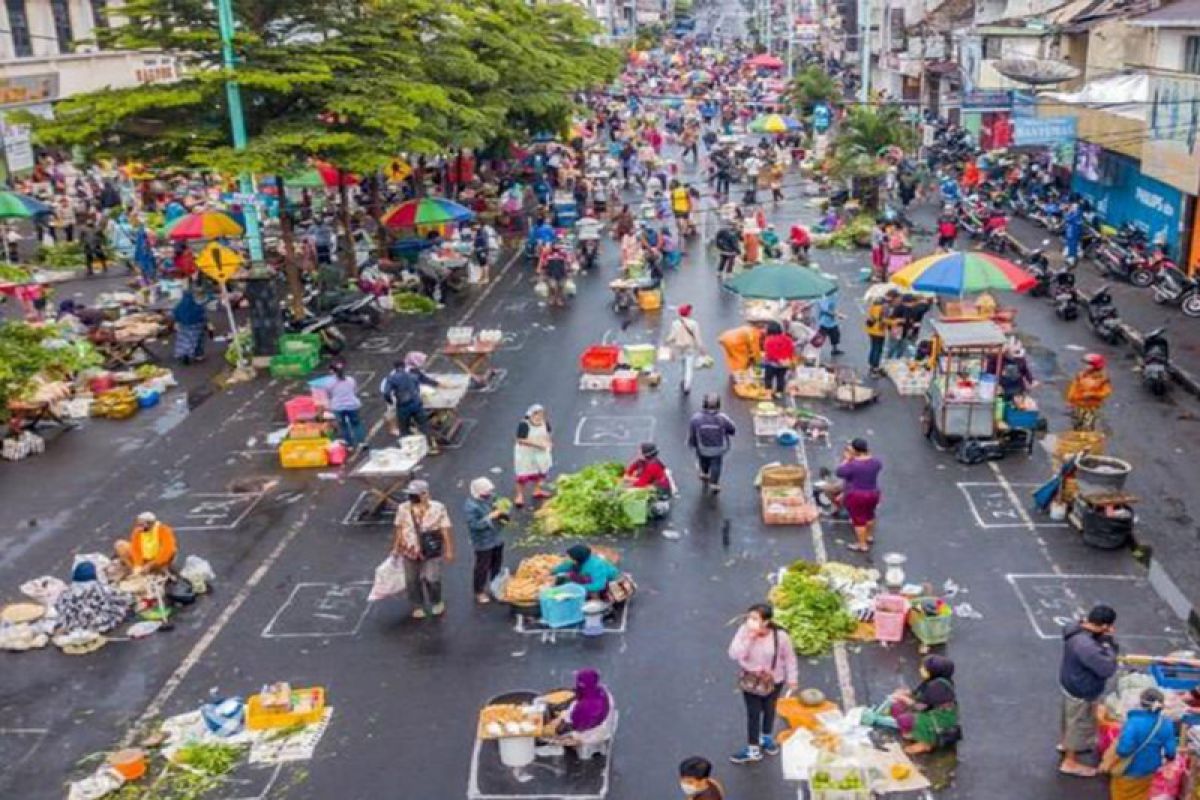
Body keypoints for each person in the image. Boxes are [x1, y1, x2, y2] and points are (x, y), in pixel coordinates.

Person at [728, 603, 800, 764]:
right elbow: (734, 654)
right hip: (751, 681)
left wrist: (792, 678)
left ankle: (766, 737)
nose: (750, 622)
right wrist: (749, 639)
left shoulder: (780, 636)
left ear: (766, 622)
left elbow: (789, 658)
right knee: (753, 713)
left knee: (769, 709)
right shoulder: (744, 632)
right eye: (749, 618)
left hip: (774, 680)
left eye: (754, 619)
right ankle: (753, 748)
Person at [1059, 604, 1120, 777]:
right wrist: (1110, 645)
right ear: (1104, 626)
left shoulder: (1074, 629)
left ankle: (1065, 743)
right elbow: (1107, 668)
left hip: (1069, 681)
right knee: (1080, 724)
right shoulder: (1088, 647)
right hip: (1082, 689)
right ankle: (1070, 762)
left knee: (1069, 717)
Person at [391, 480, 455, 619]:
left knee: (432, 578)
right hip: (410, 548)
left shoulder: (438, 507)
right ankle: (417, 605)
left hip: (431, 548)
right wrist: (396, 547)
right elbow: (399, 528)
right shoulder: (403, 508)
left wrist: (449, 549)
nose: (411, 498)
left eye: (415, 495)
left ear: (425, 494)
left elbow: (445, 528)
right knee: (412, 580)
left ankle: (436, 601)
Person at [1106, 688, 1177, 800]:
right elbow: (1171, 752)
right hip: (1149, 770)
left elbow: (1124, 750)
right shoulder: (1166, 723)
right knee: (1141, 795)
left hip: (1128, 770)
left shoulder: (1133, 722)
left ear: (1141, 703)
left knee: (1121, 795)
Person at [889, 655, 960, 755]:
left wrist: (904, 698)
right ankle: (914, 734)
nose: (920, 669)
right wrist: (907, 693)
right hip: (929, 711)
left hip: (938, 719)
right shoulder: (932, 681)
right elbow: (919, 693)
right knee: (897, 707)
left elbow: (921, 706)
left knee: (904, 719)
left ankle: (926, 743)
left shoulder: (938, 687)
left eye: (924, 668)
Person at [381, 352, 442, 452]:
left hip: (403, 406)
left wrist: (391, 401)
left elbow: (386, 393)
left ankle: (409, 448)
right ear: (404, 365)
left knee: (404, 428)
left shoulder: (392, 378)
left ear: (395, 367)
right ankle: (433, 446)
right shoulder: (412, 375)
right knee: (424, 425)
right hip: (416, 404)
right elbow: (418, 387)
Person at [464, 477, 506, 604]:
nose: (489, 493)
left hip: (496, 537)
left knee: (496, 564)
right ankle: (479, 591)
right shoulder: (471, 506)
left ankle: (496, 586)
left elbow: (500, 504)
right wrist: (490, 517)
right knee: (482, 567)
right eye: (486, 491)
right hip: (483, 541)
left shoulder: (491, 497)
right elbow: (475, 525)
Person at [836, 438, 883, 553]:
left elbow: (839, 472)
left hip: (857, 495)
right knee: (870, 515)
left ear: (855, 450)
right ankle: (869, 536)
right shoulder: (876, 462)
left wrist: (847, 459)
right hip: (873, 493)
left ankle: (862, 545)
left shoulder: (853, 465)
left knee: (858, 520)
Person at [544, 668, 612, 745]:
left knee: (552, 731)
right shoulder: (603, 692)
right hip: (601, 725)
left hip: (589, 734)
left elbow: (576, 726)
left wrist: (559, 720)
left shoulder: (586, 707)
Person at [688, 393, 736, 493]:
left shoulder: (696, 418)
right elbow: (732, 429)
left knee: (703, 460)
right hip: (718, 448)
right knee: (716, 465)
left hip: (702, 447)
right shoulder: (722, 418)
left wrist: (692, 443)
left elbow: (692, 432)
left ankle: (705, 473)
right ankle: (714, 483)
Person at [514, 404, 553, 508]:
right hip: (526, 454)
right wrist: (537, 444)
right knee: (523, 475)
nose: (539, 417)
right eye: (536, 414)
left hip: (541, 453)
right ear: (531, 414)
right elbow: (520, 440)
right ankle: (519, 495)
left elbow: (548, 434)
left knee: (540, 472)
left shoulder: (545, 423)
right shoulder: (524, 424)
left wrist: (549, 443)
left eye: (541, 414)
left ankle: (537, 490)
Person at [1066, 354, 1113, 432]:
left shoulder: (1102, 379)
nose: (1085, 366)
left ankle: (1087, 441)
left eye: (1088, 364)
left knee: (1087, 426)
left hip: (1091, 407)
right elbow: (1074, 388)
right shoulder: (1081, 375)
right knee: (1077, 424)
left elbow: (1106, 392)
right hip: (1078, 405)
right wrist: (1070, 400)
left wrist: (1093, 394)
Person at [552, 544, 621, 597]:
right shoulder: (577, 561)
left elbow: (598, 585)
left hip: (607, 581)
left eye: (570, 557)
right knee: (571, 575)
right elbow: (564, 567)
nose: (567, 559)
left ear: (577, 559)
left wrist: (577, 587)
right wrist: (552, 572)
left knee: (593, 591)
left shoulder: (596, 566)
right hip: (589, 577)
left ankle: (595, 601)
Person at [665, 304, 705, 394]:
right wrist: (701, 349)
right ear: (689, 313)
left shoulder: (675, 323)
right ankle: (687, 386)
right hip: (689, 347)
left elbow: (672, 336)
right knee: (689, 367)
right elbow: (697, 338)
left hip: (679, 347)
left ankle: (683, 379)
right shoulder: (694, 324)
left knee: (682, 363)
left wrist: (667, 342)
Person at [328, 360, 365, 450]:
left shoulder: (329, 383)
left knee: (343, 427)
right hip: (352, 405)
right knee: (356, 425)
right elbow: (354, 391)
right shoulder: (350, 380)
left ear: (332, 371)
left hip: (338, 407)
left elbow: (329, 394)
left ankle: (349, 445)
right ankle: (361, 443)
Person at [171, 289, 208, 364]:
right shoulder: (197, 307)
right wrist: (206, 324)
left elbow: (175, 315)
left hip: (184, 327)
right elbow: (202, 316)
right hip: (196, 326)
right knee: (198, 340)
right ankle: (198, 355)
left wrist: (177, 322)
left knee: (184, 341)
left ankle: (184, 353)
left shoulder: (179, 306)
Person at [761, 322, 795, 398]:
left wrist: (777, 359)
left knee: (768, 378)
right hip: (784, 364)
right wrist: (787, 359)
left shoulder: (768, 340)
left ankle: (768, 394)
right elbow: (791, 350)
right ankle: (779, 393)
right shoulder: (788, 339)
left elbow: (770, 353)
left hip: (771, 364)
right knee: (781, 378)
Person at [864, 291, 894, 376]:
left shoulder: (874, 304)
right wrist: (893, 322)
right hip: (879, 331)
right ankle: (875, 368)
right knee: (878, 349)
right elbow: (884, 320)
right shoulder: (885, 306)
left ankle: (871, 365)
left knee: (873, 347)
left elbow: (871, 316)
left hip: (871, 329)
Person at [817, 290, 845, 357]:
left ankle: (835, 350)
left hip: (832, 322)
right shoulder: (823, 298)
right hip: (824, 322)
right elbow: (826, 310)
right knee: (821, 337)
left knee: (835, 335)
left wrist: (836, 313)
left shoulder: (833, 295)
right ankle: (816, 350)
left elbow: (833, 307)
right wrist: (838, 315)